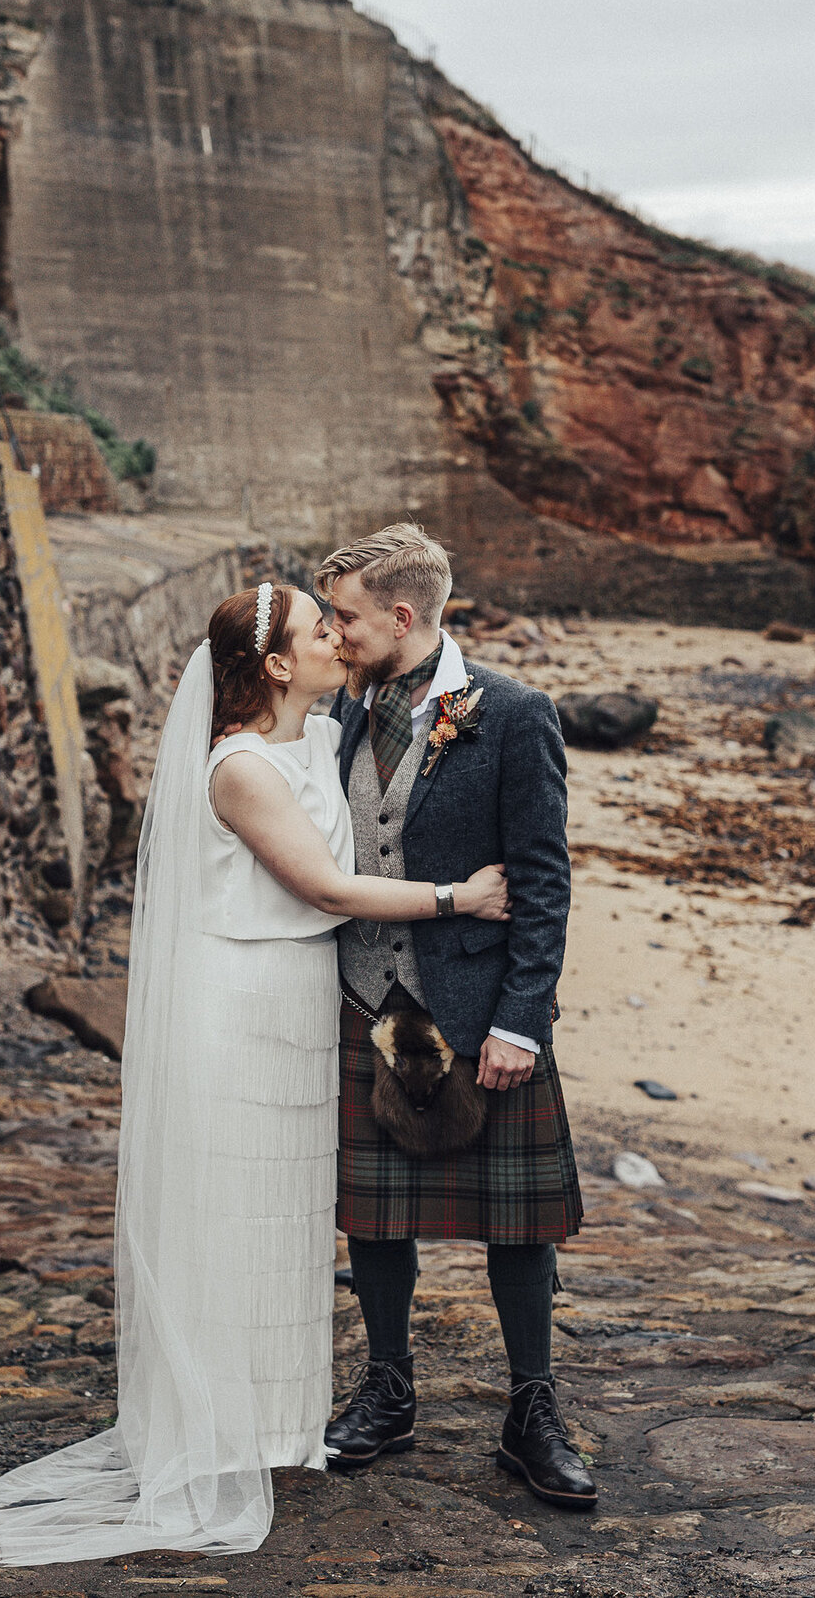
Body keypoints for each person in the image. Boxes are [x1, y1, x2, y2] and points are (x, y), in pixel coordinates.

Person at [0, 581, 509, 1566]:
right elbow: (325, 885)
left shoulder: (311, 738)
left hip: (297, 1011)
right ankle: (213, 1435)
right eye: (316, 632)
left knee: (281, 1216)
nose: (334, 643)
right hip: (240, 1006)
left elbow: (398, 683)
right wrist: (457, 896)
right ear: (271, 665)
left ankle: (264, 1425)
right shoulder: (243, 766)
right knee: (229, 1210)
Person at [315, 524, 595, 1510]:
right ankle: (387, 1388)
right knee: (372, 1217)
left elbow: (544, 880)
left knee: (516, 1227)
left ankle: (532, 1409)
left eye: (345, 616)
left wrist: (523, 1017)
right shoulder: (337, 714)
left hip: (475, 1009)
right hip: (363, 997)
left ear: (403, 616)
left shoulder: (514, 714)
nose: (332, 633)